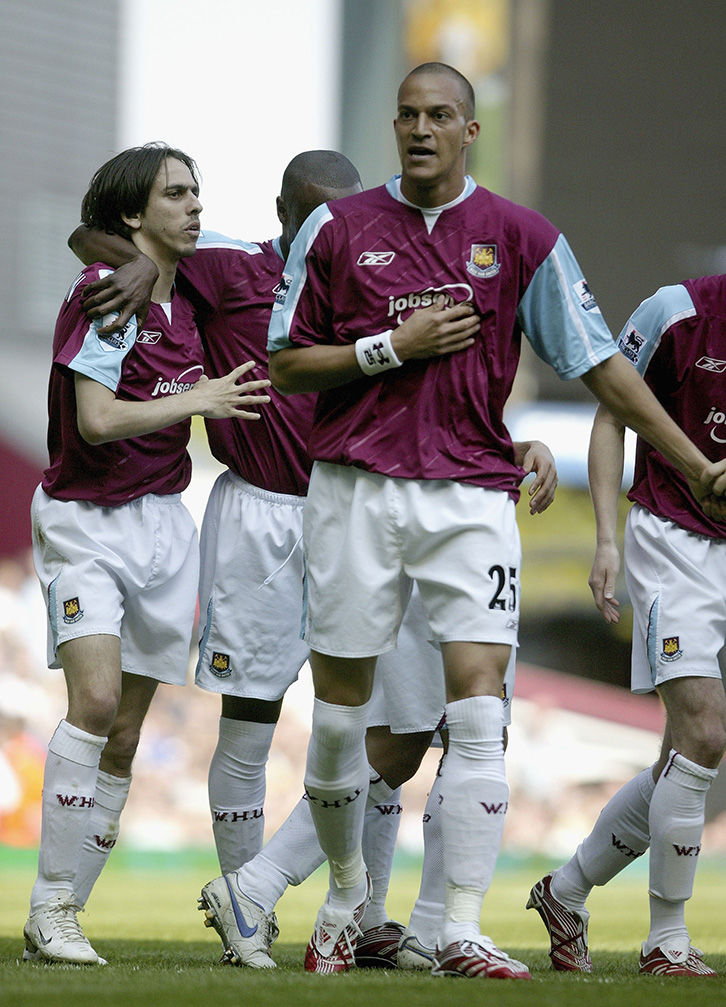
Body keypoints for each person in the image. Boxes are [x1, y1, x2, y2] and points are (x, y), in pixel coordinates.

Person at [266, 62, 726, 979]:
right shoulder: (334, 227)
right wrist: (388, 346)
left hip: (471, 496)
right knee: (340, 725)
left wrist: (688, 460)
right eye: (407, 116)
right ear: (395, 127)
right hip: (354, 488)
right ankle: (348, 895)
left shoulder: (522, 238)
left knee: (480, 713)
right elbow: (285, 364)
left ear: (469, 129)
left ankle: (464, 927)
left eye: (440, 115)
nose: (421, 129)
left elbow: (599, 366)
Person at [70, 151, 557, 970]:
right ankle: (247, 914)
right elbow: (103, 231)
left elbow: (420, 402)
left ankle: (358, 911)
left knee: (394, 727)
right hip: (262, 512)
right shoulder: (226, 264)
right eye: (311, 214)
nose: (328, 227)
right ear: (282, 214)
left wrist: (512, 444)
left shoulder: (376, 274)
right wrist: (121, 260)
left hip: (368, 505)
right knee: (251, 721)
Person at [24, 142, 270, 966]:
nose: (195, 206)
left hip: (167, 525)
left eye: (198, 191)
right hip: (86, 522)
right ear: (134, 215)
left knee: (124, 738)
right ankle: (49, 903)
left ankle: (66, 911)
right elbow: (94, 420)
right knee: (92, 702)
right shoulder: (104, 296)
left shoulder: (194, 291)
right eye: (176, 194)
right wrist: (199, 399)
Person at [527, 275, 726, 977]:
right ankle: (665, 938)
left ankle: (566, 890)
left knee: (681, 758)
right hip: (673, 540)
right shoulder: (677, 312)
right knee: (704, 732)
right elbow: (612, 413)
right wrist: (607, 540)